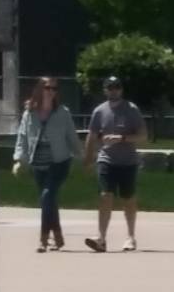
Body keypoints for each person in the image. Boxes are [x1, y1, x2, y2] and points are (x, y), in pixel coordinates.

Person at [12, 77, 83, 252]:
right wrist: (19, 159)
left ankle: (43, 239)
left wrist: (83, 157)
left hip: (59, 162)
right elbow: (22, 137)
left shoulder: (62, 112)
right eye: (47, 87)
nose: (51, 91)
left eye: (54, 88)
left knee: (46, 196)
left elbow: (72, 137)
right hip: (38, 162)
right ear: (39, 89)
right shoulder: (30, 113)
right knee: (49, 200)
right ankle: (58, 235)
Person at [83, 76, 147, 253]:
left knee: (128, 199)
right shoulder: (99, 111)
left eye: (117, 87)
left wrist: (122, 138)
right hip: (106, 159)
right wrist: (88, 158)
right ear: (105, 90)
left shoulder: (131, 109)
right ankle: (101, 238)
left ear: (121, 89)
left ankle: (130, 237)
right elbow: (92, 135)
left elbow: (143, 136)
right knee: (105, 195)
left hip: (128, 161)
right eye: (110, 87)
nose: (114, 90)